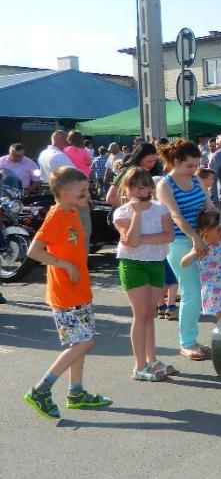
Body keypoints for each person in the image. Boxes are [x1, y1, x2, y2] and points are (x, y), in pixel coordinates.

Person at [23, 167, 112, 419]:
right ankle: (41, 390)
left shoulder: (72, 211)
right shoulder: (56, 216)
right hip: (65, 293)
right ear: (63, 192)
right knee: (85, 342)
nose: (87, 196)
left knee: (79, 343)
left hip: (78, 290)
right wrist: (65, 265)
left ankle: (76, 392)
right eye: (81, 192)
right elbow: (34, 251)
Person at [112, 167, 176, 381]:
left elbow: (169, 236)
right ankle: (139, 366)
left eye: (142, 187)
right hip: (133, 265)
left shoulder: (160, 208)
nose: (138, 192)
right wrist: (137, 214)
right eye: (133, 187)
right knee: (140, 314)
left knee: (150, 313)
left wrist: (143, 239)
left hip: (156, 263)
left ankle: (152, 359)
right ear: (126, 189)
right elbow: (130, 241)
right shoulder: (121, 212)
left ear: (150, 188)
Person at [156, 139, 216, 361]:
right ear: (176, 161)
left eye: (196, 165)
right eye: (189, 165)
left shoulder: (196, 179)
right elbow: (175, 215)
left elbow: (209, 206)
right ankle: (187, 342)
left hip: (202, 238)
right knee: (191, 292)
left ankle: (192, 339)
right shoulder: (165, 185)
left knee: (200, 291)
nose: (194, 169)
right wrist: (194, 238)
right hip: (179, 242)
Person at [180, 209, 221, 322]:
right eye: (218, 229)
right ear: (206, 230)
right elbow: (183, 263)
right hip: (216, 287)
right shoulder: (202, 247)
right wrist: (193, 253)